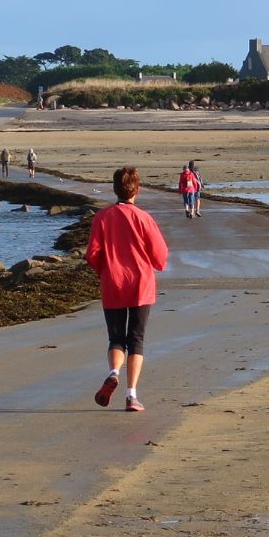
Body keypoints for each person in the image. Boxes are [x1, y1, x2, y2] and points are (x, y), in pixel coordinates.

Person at [85, 166, 168, 412]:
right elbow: (160, 257)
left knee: (116, 338)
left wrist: (106, 271)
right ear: (137, 190)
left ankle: (113, 372)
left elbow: (92, 254)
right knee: (137, 339)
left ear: (114, 189)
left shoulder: (102, 217)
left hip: (113, 283)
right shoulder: (144, 218)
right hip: (141, 284)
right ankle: (131, 395)